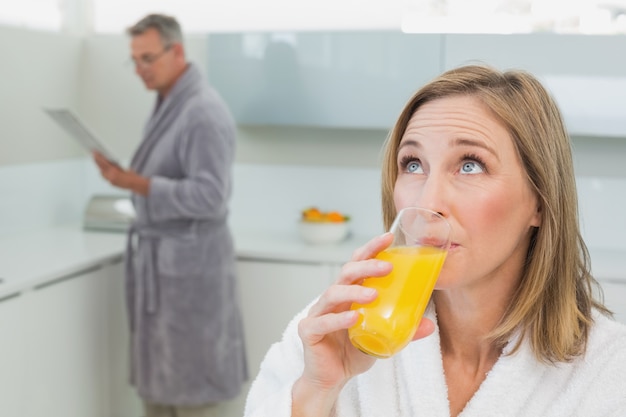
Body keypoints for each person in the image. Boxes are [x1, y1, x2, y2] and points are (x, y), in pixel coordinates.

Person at [243, 64, 626, 417]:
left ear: (540, 202)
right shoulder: (336, 328)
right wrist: (316, 390)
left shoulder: (609, 370)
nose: (427, 202)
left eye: (470, 164)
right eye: (413, 164)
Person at [93, 13, 247, 417]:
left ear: (176, 51)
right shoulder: (169, 104)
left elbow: (211, 196)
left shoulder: (202, 112)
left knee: (195, 394)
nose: (140, 70)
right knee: (162, 389)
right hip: (167, 267)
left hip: (191, 272)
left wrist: (135, 183)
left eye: (147, 58)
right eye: (135, 60)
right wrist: (127, 179)